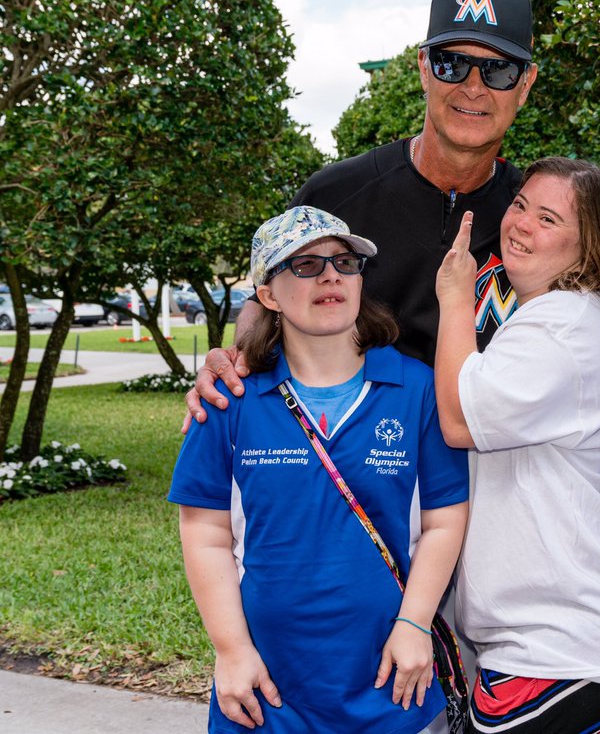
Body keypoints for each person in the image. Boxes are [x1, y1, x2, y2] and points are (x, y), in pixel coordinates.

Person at [185, 0, 600, 422]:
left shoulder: (542, 218)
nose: (474, 87)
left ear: (527, 83)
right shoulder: (337, 192)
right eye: (454, 63)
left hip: (495, 512)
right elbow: (269, 305)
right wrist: (229, 356)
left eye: (500, 69)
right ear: (425, 68)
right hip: (361, 476)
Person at [169, 206, 469, 733]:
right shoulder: (229, 399)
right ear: (267, 293)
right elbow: (205, 532)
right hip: (265, 691)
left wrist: (415, 623)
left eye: (344, 262)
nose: (331, 276)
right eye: (305, 265)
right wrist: (231, 650)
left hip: (392, 682)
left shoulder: (417, 389)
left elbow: (444, 519)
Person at [433, 157, 600, 733]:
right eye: (520, 205)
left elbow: (458, 419)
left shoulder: (562, 323)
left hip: (565, 649)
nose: (522, 224)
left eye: (549, 218)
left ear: (589, 250)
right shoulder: (551, 318)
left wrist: (455, 297)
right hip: (553, 645)